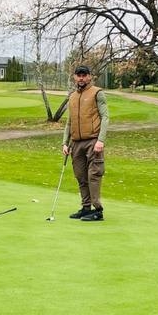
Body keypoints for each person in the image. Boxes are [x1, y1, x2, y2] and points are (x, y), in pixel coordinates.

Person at [61, 64, 109, 221]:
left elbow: (105, 117)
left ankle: (98, 210)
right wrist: (65, 143)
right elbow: (69, 122)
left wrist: (100, 140)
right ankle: (86, 207)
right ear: (75, 77)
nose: (81, 78)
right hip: (76, 143)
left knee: (93, 175)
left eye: (84, 75)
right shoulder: (73, 96)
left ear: (89, 76)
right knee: (81, 176)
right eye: (78, 75)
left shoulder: (97, 93)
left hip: (93, 141)